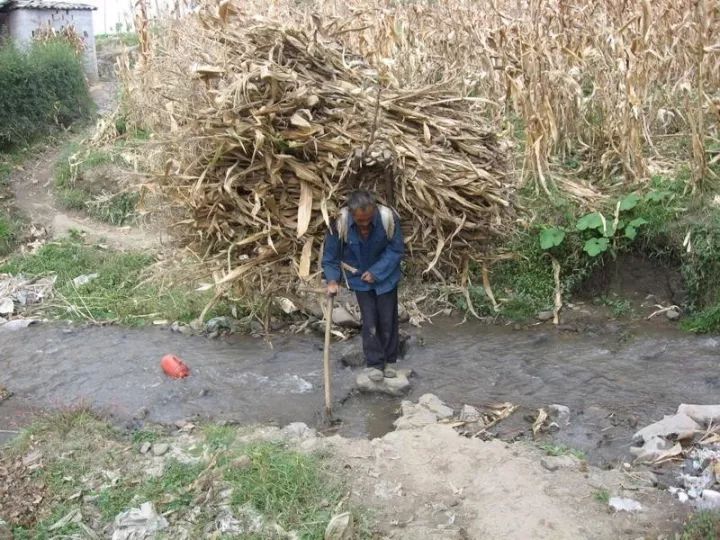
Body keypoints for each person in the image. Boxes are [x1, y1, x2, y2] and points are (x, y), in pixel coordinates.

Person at [322, 190, 404, 379]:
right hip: (359, 279)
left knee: (388, 318)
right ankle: (375, 363)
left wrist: (376, 272)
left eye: (368, 220)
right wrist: (333, 280)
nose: (365, 225)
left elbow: (396, 249)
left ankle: (390, 361)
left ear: (374, 211)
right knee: (369, 320)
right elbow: (330, 257)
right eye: (360, 221)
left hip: (386, 277)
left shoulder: (387, 218)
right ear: (352, 214)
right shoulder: (339, 223)